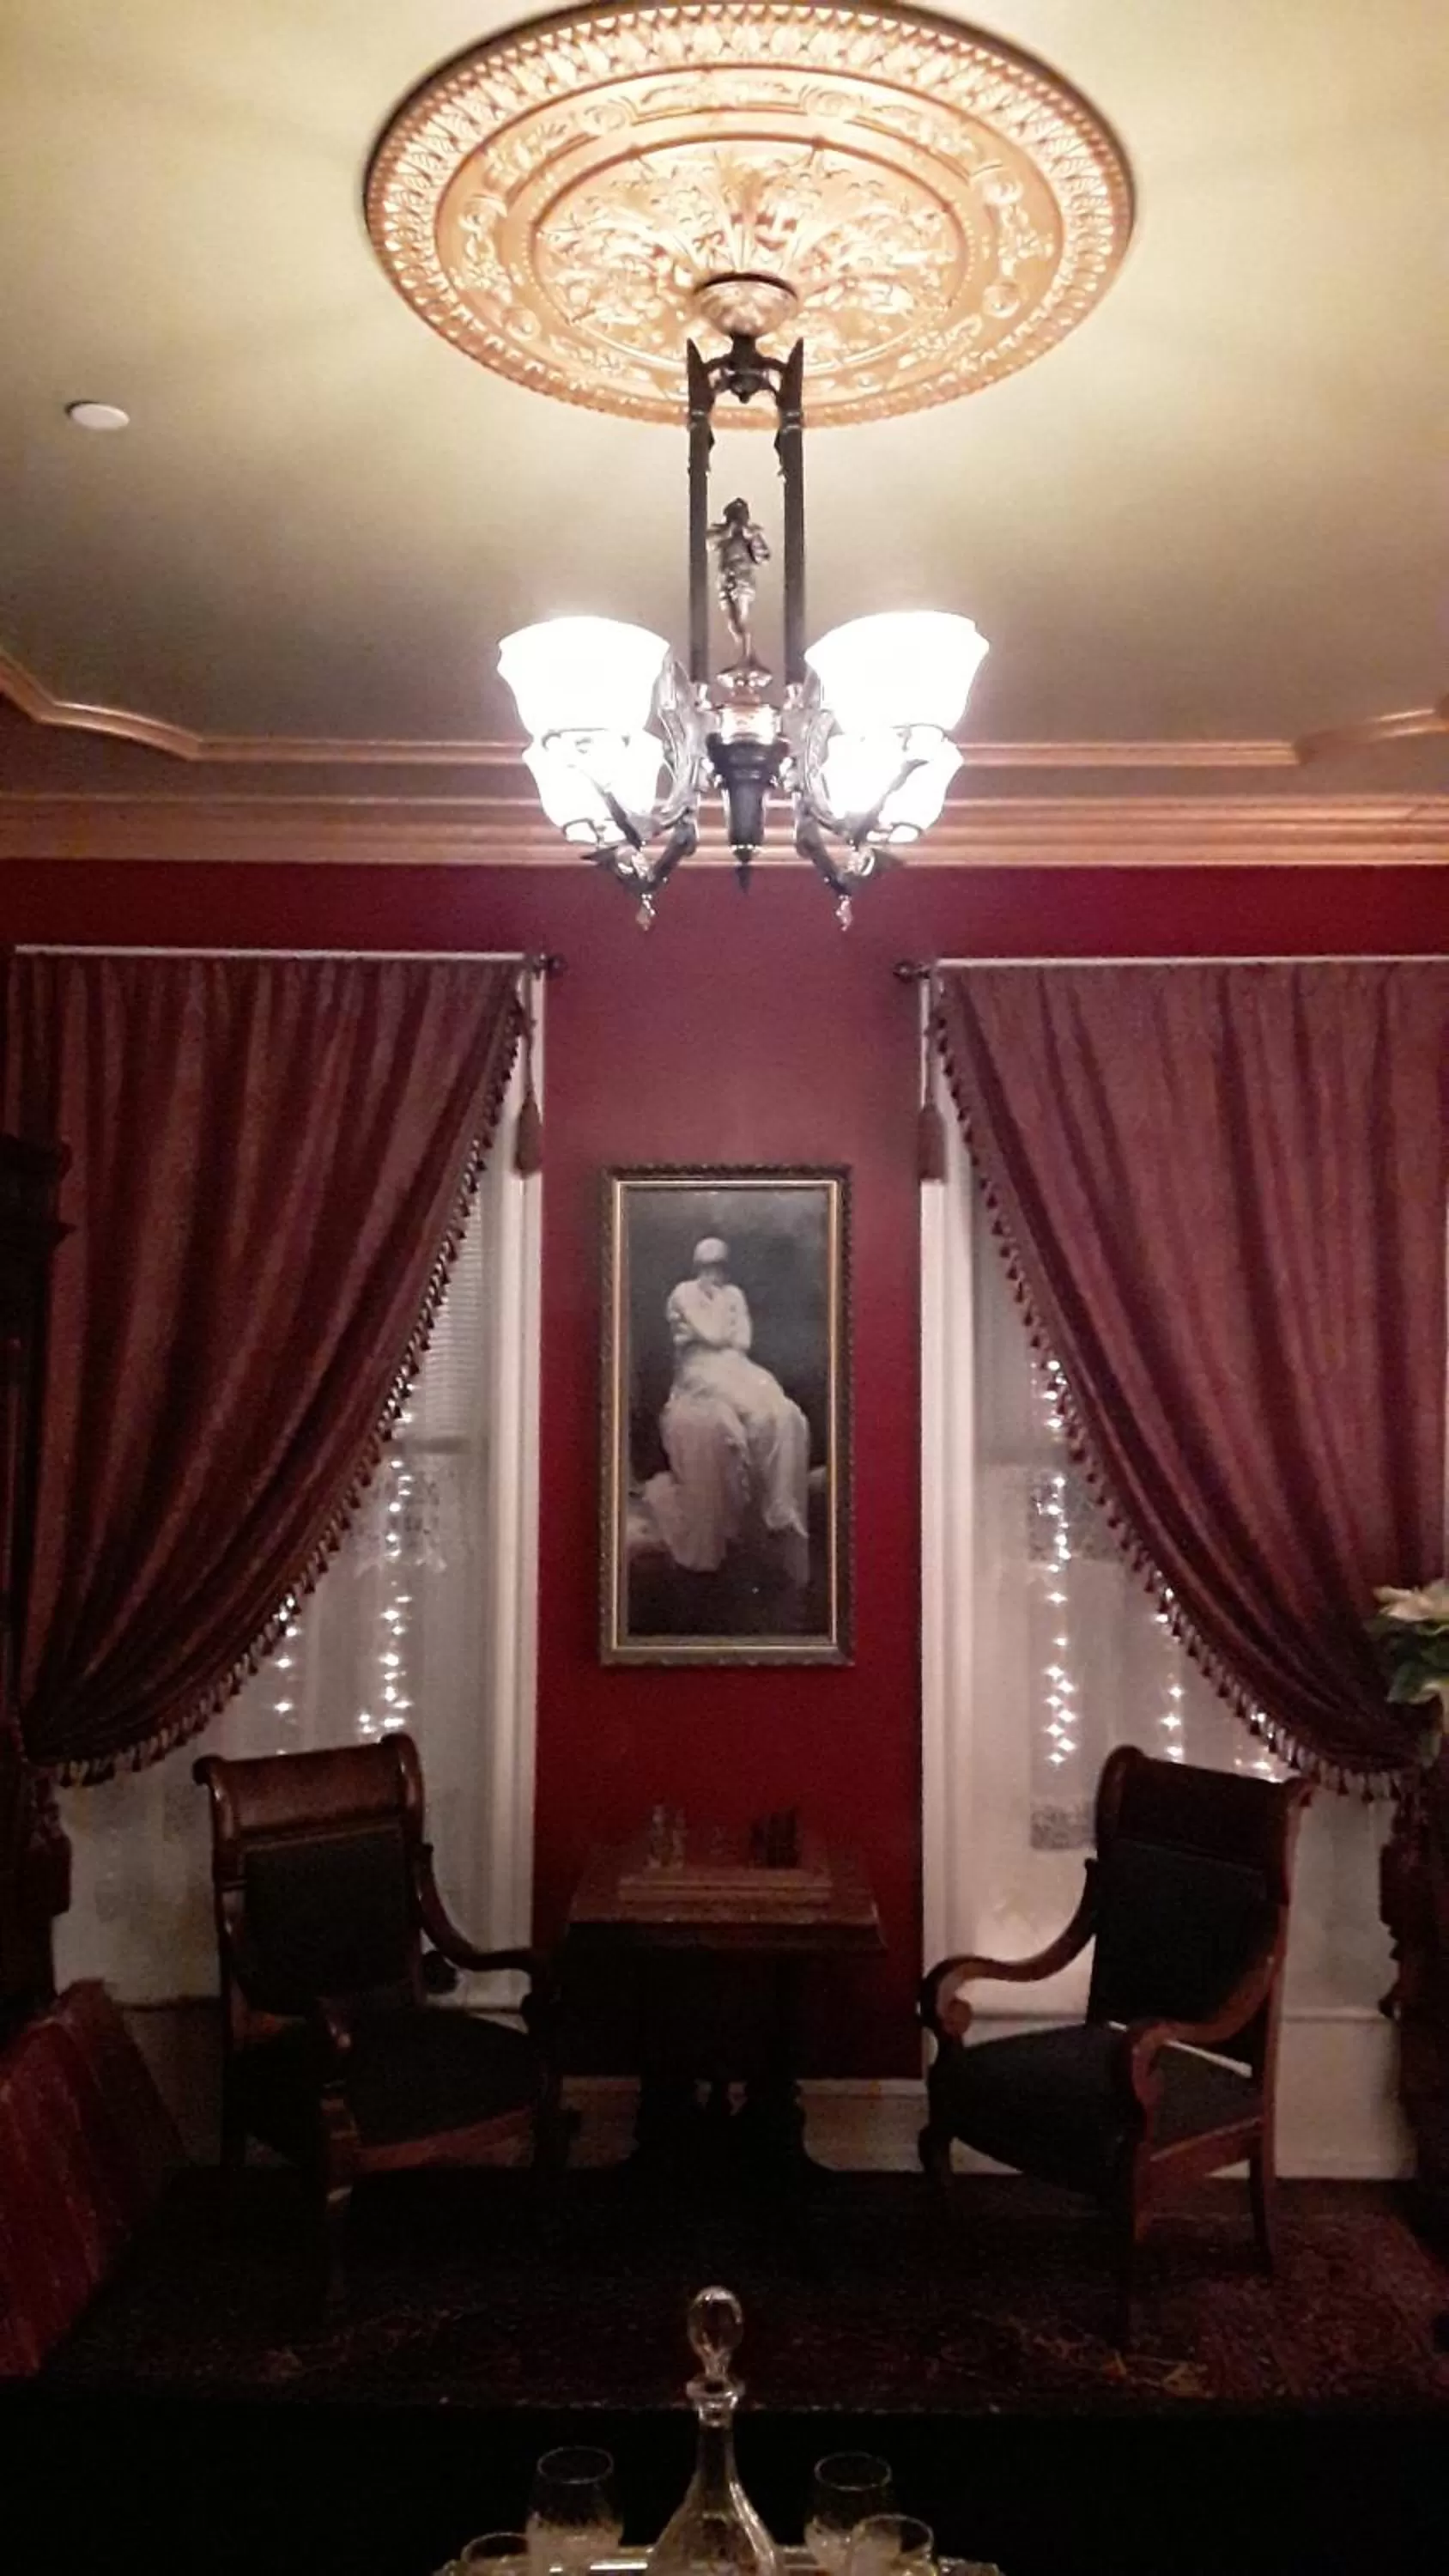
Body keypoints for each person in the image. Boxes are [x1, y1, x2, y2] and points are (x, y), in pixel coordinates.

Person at [641, 1236, 810, 1586]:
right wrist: (720, 1323)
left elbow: (742, 1341)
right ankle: (759, 1517)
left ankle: (780, 1511)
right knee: (747, 1402)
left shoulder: (735, 1294)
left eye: (718, 1266)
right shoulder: (683, 1293)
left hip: (736, 1363)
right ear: (696, 1266)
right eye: (706, 1266)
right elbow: (716, 1334)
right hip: (698, 1369)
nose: (712, 1274)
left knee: (777, 1410)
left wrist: (721, 1326)